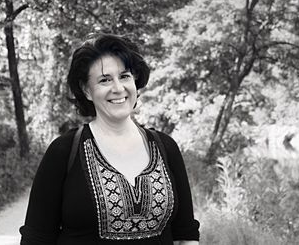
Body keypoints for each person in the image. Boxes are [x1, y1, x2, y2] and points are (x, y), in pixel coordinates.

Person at [19, 33, 200, 245]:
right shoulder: (64, 151)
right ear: (87, 90)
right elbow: (36, 237)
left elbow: (185, 235)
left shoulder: (165, 148)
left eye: (124, 76)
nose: (118, 88)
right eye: (105, 80)